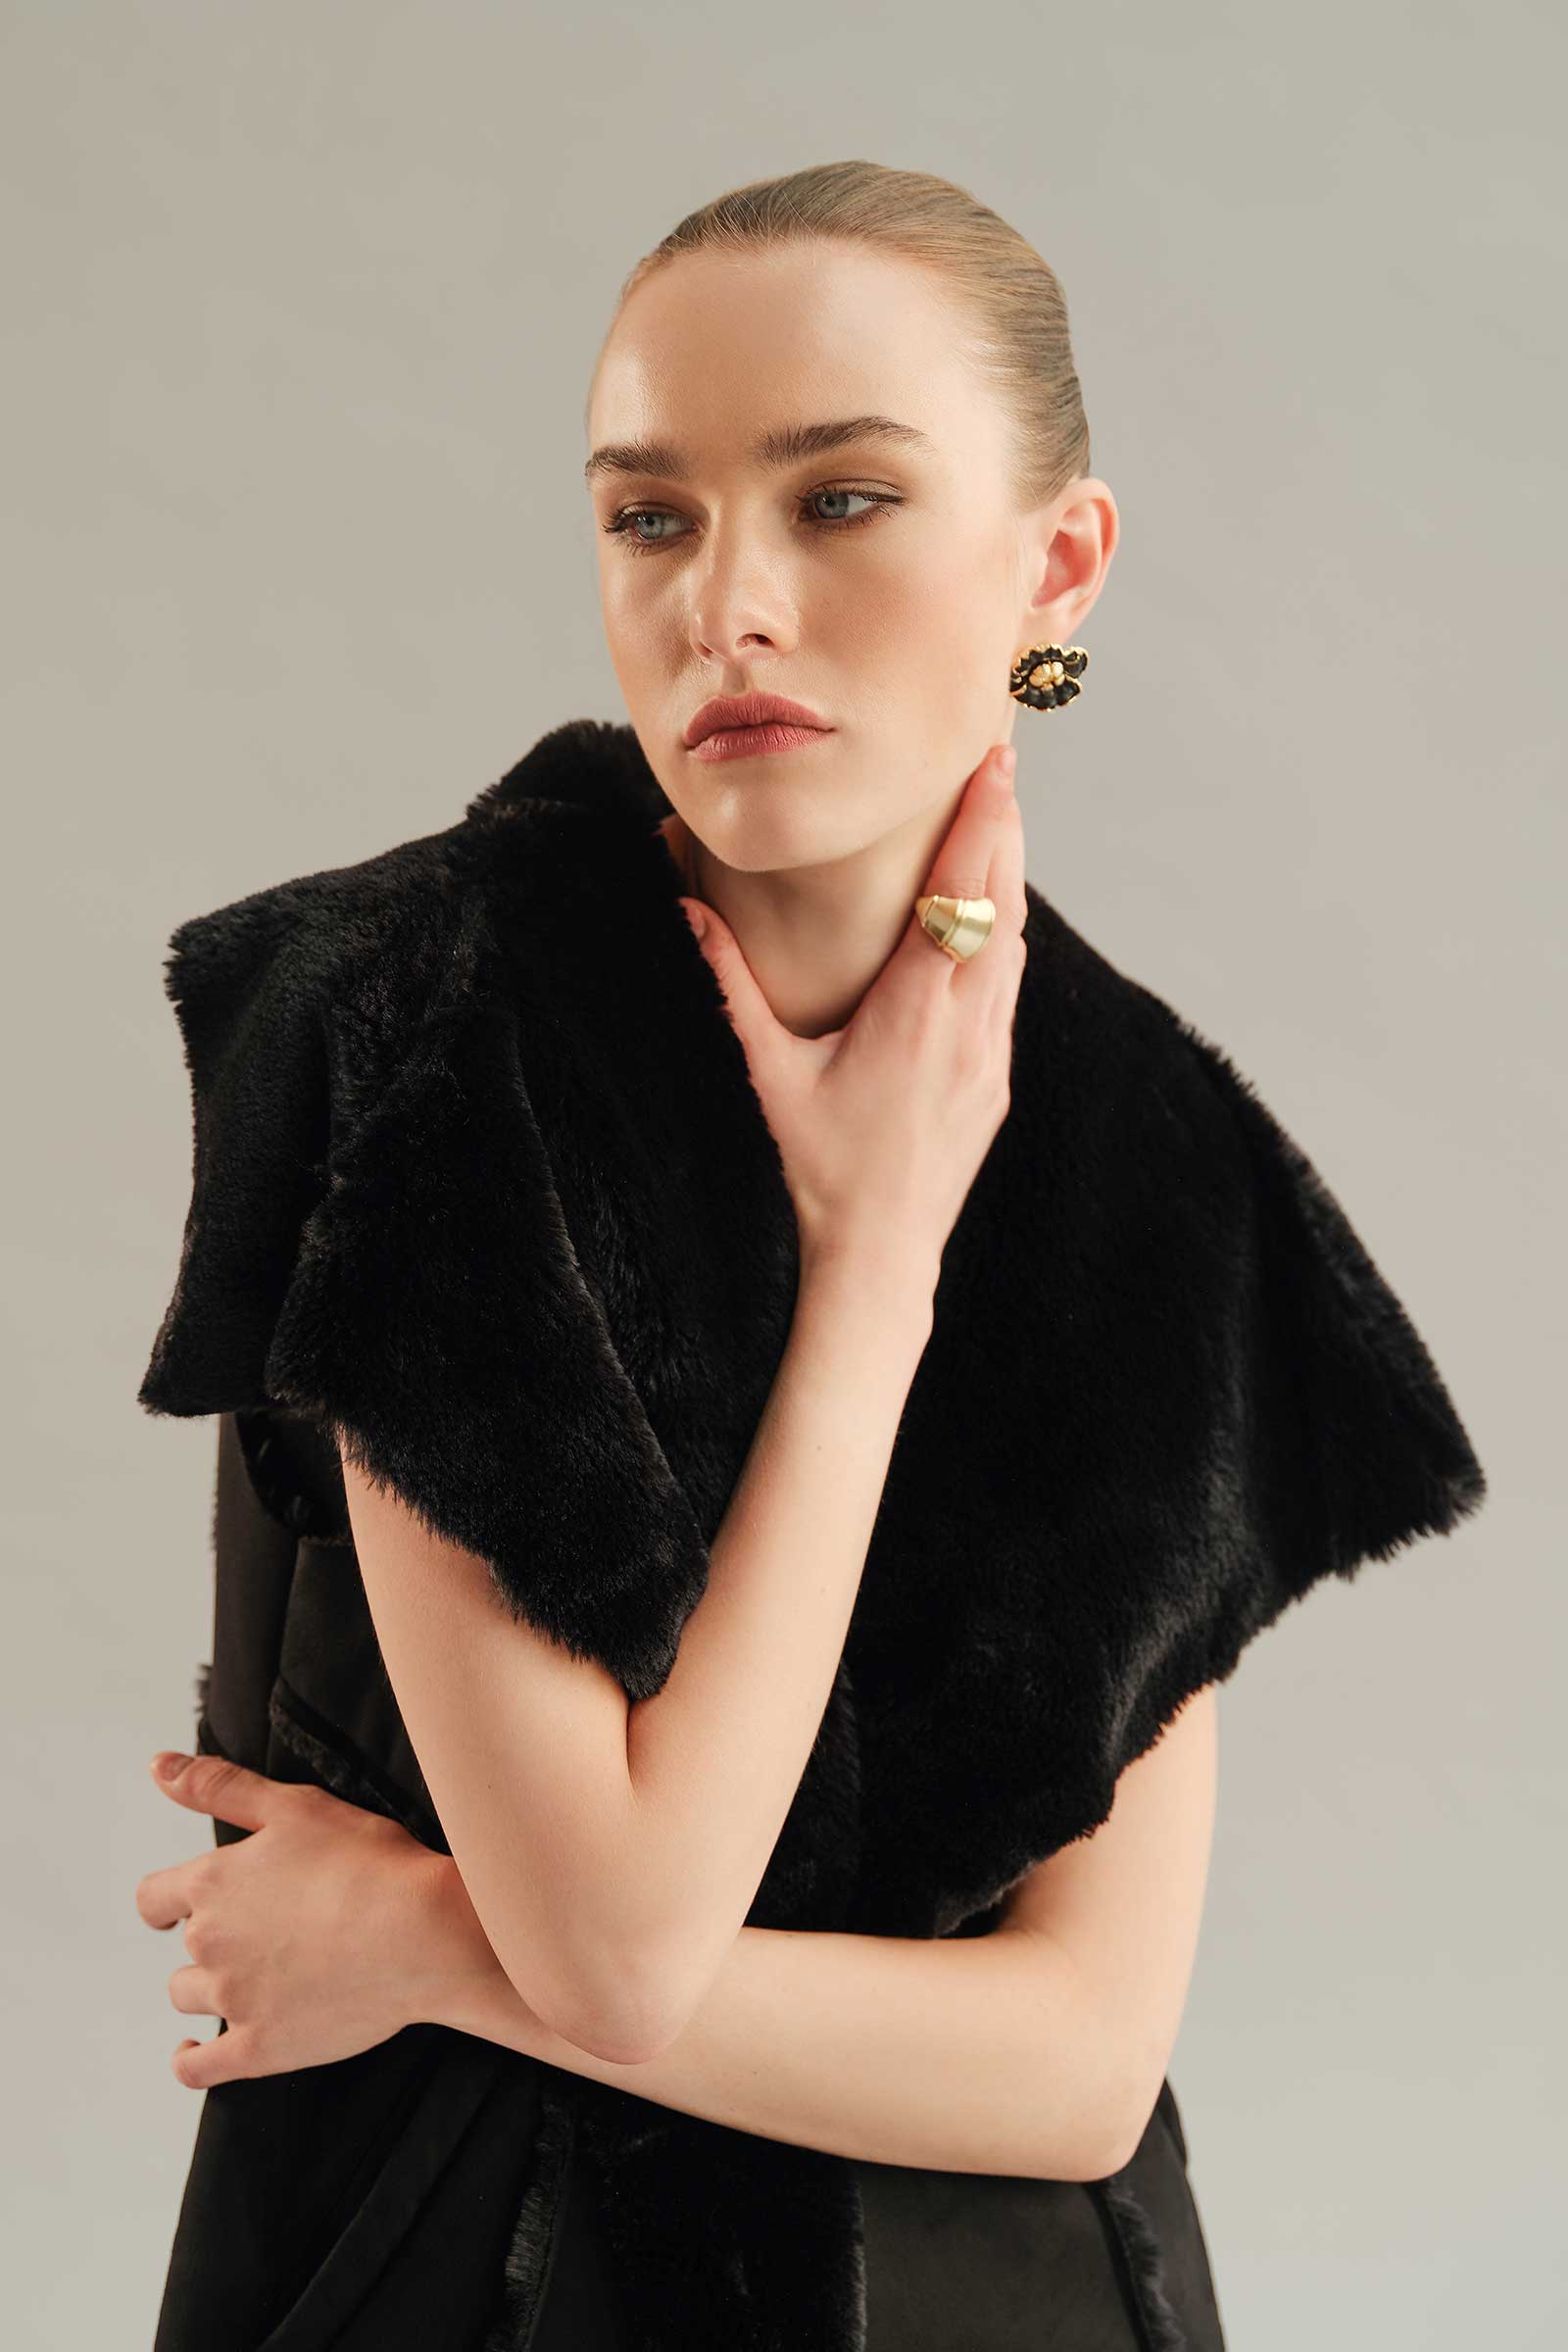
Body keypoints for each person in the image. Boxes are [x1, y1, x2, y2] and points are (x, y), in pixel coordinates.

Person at [133, 162, 1486, 2352]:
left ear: (1058, 565)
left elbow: (1077, 2066)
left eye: (839, 500)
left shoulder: (1155, 1155)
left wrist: (420, 1939)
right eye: (649, 517)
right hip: (457, 2281)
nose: (726, 605)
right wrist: (868, 1272)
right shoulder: (431, 1025)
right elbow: (619, 1943)